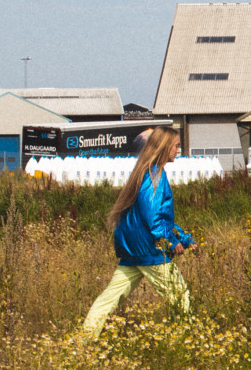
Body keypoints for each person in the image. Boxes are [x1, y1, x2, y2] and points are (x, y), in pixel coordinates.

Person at [81, 127, 196, 334]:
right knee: (179, 295)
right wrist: (170, 242)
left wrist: (184, 238)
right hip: (149, 250)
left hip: (132, 248)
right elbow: (152, 216)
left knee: (110, 298)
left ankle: (83, 341)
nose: (178, 150)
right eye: (176, 145)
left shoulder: (145, 172)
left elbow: (158, 217)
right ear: (164, 146)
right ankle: (187, 338)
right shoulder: (155, 175)